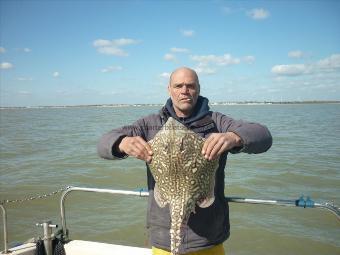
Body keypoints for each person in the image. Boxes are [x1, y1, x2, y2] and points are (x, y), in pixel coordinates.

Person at [97, 67, 272, 255]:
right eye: (178, 85)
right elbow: (103, 144)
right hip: (163, 237)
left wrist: (234, 137)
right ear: (169, 89)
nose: (184, 91)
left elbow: (263, 136)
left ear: (198, 88)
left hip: (208, 238)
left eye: (190, 86)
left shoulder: (217, 122)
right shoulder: (150, 124)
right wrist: (122, 142)